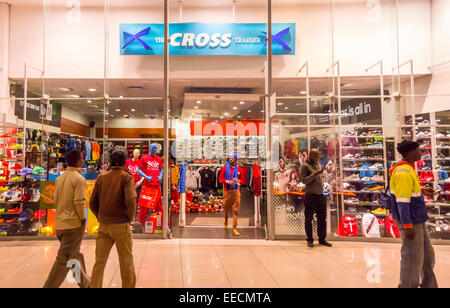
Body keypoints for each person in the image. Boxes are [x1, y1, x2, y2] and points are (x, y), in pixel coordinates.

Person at [390, 140, 438, 288]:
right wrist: (407, 225)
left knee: (427, 256)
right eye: (418, 151)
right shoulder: (403, 172)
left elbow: (407, 192)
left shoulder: (409, 168)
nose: (420, 153)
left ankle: (428, 285)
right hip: (410, 221)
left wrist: (422, 190)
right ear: (410, 153)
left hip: (418, 219)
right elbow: (402, 202)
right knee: (412, 259)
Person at [90, 150, 137, 288]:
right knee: (126, 262)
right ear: (124, 162)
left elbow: (92, 202)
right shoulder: (126, 177)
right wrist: (130, 217)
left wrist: (100, 216)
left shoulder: (102, 177)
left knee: (99, 263)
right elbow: (131, 199)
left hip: (103, 226)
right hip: (121, 225)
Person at [43, 150, 90, 288]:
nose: (83, 160)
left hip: (60, 224)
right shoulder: (79, 179)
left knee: (73, 256)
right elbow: (79, 201)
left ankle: (86, 285)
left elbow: (56, 200)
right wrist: (82, 219)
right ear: (78, 161)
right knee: (64, 260)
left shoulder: (59, 179)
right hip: (73, 224)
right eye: (82, 158)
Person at [299, 149, 332, 248]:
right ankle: (310, 239)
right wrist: (315, 174)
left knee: (322, 219)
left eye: (318, 155)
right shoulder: (305, 166)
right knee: (308, 219)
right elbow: (303, 180)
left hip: (320, 195)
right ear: (311, 155)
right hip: (311, 195)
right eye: (316, 155)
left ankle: (322, 239)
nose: (318, 156)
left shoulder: (317, 163)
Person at [137, 143, 163, 226]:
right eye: (153, 148)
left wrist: (160, 176)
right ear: (149, 148)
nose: (154, 150)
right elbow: (139, 170)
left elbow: (161, 169)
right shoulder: (144, 158)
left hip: (156, 185)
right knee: (144, 206)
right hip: (147, 185)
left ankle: (159, 224)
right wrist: (146, 177)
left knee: (158, 206)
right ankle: (140, 224)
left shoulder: (159, 159)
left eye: (156, 148)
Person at [219, 153, 244, 237]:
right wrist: (227, 181)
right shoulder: (225, 168)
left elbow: (243, 180)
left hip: (236, 191)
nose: (230, 159)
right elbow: (220, 178)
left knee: (236, 210)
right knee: (226, 207)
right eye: (229, 158)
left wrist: (239, 181)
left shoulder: (240, 169)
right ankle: (226, 220)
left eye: (232, 158)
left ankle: (234, 227)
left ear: (235, 159)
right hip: (227, 191)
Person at [126, 149, 144, 219]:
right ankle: (129, 215)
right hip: (129, 184)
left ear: (139, 154)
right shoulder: (128, 162)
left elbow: (144, 174)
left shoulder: (141, 163)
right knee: (129, 200)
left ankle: (134, 216)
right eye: (135, 153)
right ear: (133, 154)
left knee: (136, 200)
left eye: (137, 153)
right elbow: (125, 172)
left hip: (138, 184)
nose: (136, 155)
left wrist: (140, 182)